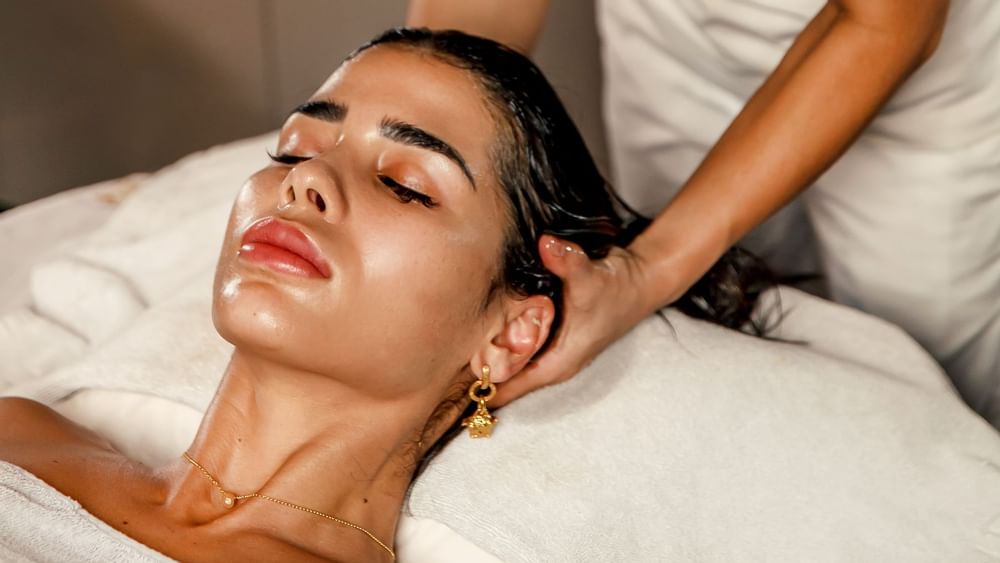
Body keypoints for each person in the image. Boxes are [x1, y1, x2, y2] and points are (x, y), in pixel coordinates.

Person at [0, 29, 773, 562]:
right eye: (297, 146)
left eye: (405, 185)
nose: (306, 180)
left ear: (510, 334)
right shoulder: (21, 427)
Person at [408, 0, 1000, 426]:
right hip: (671, 28)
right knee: (700, 323)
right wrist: (418, 134)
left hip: (917, 61)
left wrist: (647, 270)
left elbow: (885, 22)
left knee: (935, 366)